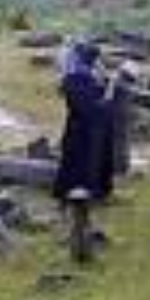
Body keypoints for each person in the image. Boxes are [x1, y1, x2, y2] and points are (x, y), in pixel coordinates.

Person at [53, 40, 116, 204]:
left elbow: (93, 98)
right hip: (84, 129)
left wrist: (105, 91)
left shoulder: (83, 74)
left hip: (88, 127)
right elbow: (88, 107)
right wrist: (107, 97)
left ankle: (90, 192)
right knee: (83, 162)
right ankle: (83, 195)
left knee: (87, 160)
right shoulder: (77, 78)